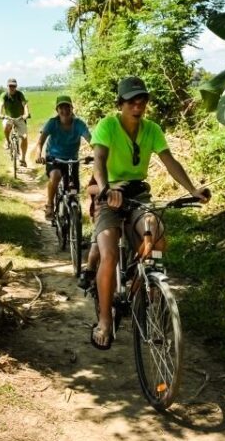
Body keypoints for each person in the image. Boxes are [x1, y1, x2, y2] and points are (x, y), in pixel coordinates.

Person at [86, 76, 210, 350]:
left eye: (142, 101)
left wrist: (192, 189)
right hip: (110, 194)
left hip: (138, 194)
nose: (138, 106)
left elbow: (170, 162)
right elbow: (99, 161)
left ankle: (145, 285)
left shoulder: (152, 129)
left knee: (157, 234)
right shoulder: (107, 126)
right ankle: (105, 320)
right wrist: (106, 190)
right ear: (121, 103)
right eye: (132, 101)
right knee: (108, 253)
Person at [32, 95, 92, 219]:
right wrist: (39, 155)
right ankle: (49, 204)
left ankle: (72, 216)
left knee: (74, 189)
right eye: (61, 108)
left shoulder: (79, 124)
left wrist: (98, 153)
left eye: (67, 107)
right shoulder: (52, 123)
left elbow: (91, 140)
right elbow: (40, 142)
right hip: (54, 158)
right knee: (56, 176)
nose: (64, 111)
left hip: (72, 159)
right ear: (57, 110)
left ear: (72, 108)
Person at [0, 78, 30, 167]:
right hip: (8, 118)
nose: (12, 88)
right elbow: (0, 106)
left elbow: (25, 105)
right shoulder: (4, 95)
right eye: (10, 86)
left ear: (16, 86)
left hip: (19, 118)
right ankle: (7, 141)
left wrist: (26, 114)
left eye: (14, 86)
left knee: (24, 137)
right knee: (6, 126)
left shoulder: (20, 94)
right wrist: (0, 114)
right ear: (7, 86)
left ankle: (23, 159)